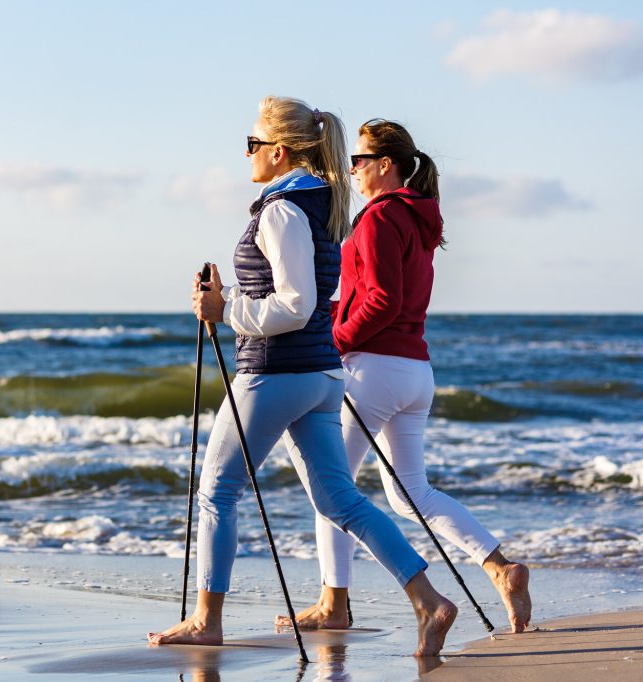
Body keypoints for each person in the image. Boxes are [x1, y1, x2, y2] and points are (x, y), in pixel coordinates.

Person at [147, 97, 457, 656]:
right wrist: (232, 298)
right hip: (320, 374)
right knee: (340, 499)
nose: (246, 155)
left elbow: (293, 304)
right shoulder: (322, 205)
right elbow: (303, 298)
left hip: (275, 372)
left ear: (279, 150)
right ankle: (429, 601)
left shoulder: (282, 210)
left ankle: (206, 620)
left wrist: (226, 312)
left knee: (216, 491)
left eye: (251, 144)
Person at [279, 119, 532, 634]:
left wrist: (336, 339)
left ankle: (333, 605)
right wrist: (329, 313)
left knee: (332, 489)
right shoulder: (418, 217)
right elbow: (379, 294)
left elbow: (381, 300)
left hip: (373, 370)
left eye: (358, 161)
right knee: (409, 491)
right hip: (415, 371)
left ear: (384, 165)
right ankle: (500, 568)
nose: (351, 170)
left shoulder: (377, 219)